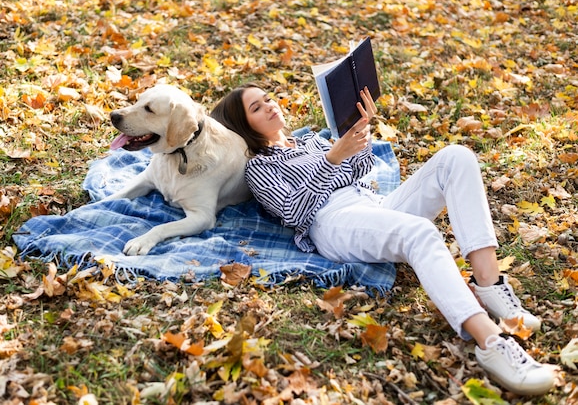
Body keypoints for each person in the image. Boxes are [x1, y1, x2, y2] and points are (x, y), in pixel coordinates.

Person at [210, 82, 555, 396]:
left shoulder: (311, 140)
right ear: (245, 126)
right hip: (332, 222)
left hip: (372, 204)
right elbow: (295, 210)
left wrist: (359, 131)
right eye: (256, 108)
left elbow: (359, 169)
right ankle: (491, 343)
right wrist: (333, 158)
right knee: (420, 233)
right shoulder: (259, 167)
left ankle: (490, 284)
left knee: (456, 157)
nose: (270, 106)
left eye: (268, 98)